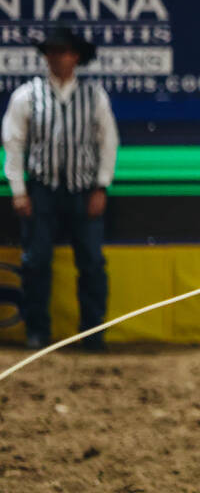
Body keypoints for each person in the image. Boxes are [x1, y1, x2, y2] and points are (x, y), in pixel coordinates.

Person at [2, 27, 118, 351]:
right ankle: (37, 332)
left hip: (84, 190)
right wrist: (19, 190)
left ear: (75, 57)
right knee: (36, 261)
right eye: (52, 52)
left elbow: (108, 142)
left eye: (63, 51)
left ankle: (93, 334)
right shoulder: (27, 95)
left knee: (92, 263)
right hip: (42, 191)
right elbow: (13, 142)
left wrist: (101, 186)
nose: (57, 57)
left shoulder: (93, 96)